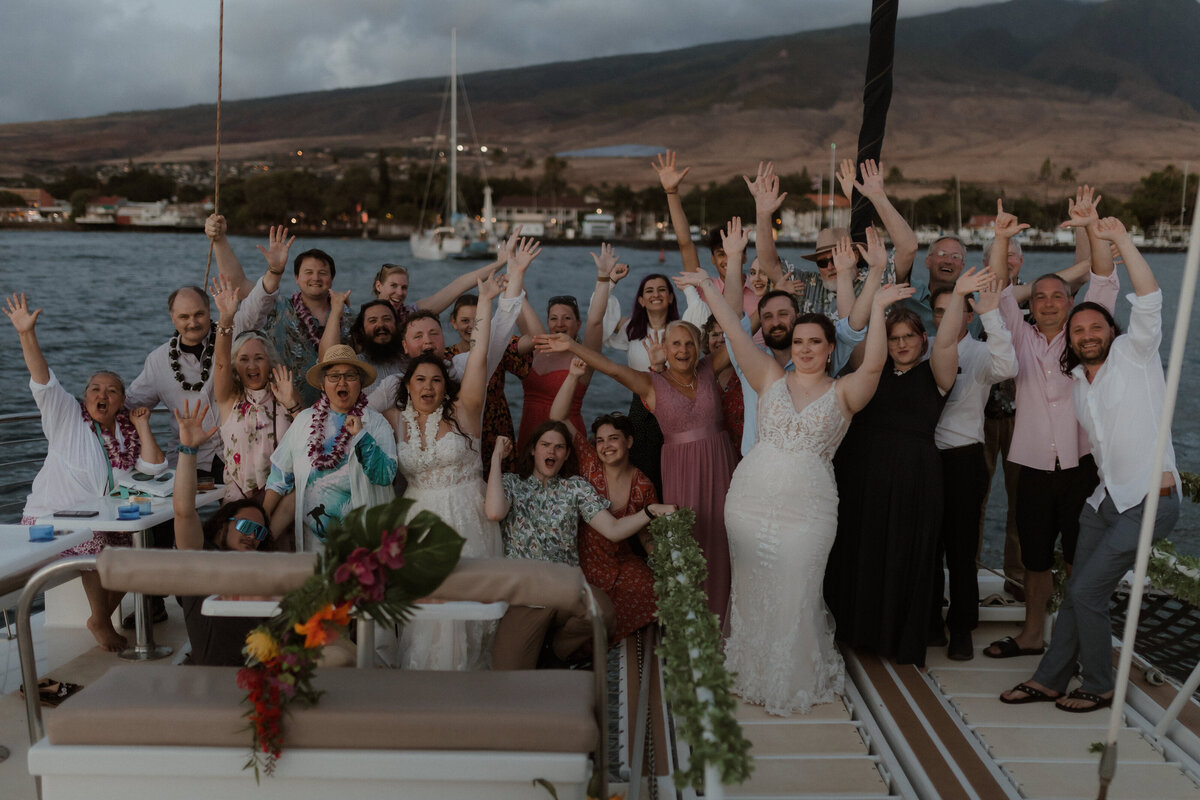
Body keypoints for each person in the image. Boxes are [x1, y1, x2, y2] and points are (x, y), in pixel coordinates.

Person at [687, 260, 910, 715]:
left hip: (809, 508)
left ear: (830, 349)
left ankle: (793, 675)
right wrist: (705, 290)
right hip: (751, 499)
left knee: (799, 586)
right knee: (752, 587)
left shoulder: (846, 392)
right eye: (799, 341)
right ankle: (751, 668)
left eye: (815, 342)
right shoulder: (768, 376)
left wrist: (882, 312)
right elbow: (732, 330)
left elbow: (876, 362)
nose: (805, 349)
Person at [1001, 216, 1179, 712]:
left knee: (1086, 593)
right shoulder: (1080, 383)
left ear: (1111, 330)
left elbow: (1149, 298)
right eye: (1078, 331)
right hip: (1104, 502)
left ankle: (1100, 684)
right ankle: (1051, 677)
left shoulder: (1135, 355)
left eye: (1093, 325)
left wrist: (1119, 238)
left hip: (1148, 501)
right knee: (1078, 590)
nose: (1085, 334)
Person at [982, 189, 1119, 659]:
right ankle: (1032, 634)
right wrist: (1000, 239)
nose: (1045, 303)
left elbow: (1103, 277)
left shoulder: (1086, 334)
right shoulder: (1018, 338)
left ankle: (1077, 640)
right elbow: (997, 291)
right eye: (1038, 297)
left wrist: (1089, 224)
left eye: (1055, 296)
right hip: (1032, 467)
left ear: (1069, 300)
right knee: (1035, 559)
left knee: (1083, 559)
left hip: (1082, 466)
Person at [825, 268, 984, 668]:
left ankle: (898, 637)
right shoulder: (872, 370)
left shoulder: (937, 373)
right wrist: (871, 297)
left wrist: (961, 294)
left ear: (922, 340)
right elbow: (853, 332)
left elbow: (947, 338)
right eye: (894, 338)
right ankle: (857, 632)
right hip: (861, 470)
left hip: (914, 473)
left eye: (909, 337)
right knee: (861, 548)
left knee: (904, 553)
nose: (900, 344)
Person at [536, 313, 737, 626]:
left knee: (727, 536)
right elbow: (611, 368)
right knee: (691, 539)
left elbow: (742, 333)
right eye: (675, 344)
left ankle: (728, 618)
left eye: (688, 343)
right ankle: (694, 622)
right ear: (665, 351)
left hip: (720, 463)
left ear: (699, 348)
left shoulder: (710, 369)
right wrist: (573, 345)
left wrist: (715, 287)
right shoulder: (651, 383)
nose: (682, 350)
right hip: (682, 469)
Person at [6, 292, 167, 652]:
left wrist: (142, 427)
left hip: (105, 518)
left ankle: (98, 618)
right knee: (96, 543)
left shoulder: (124, 434)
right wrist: (25, 334)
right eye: (95, 388)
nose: (103, 394)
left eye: (112, 391)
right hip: (53, 519)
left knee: (141, 552)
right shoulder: (65, 417)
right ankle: (102, 621)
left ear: (122, 401)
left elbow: (153, 469)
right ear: (83, 395)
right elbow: (43, 380)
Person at [387, 272, 505, 670]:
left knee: (466, 613)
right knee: (423, 619)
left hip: (466, 516)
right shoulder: (393, 419)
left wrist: (485, 299)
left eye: (436, 380)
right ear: (408, 384)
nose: (429, 386)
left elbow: (482, 351)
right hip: (417, 520)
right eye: (420, 379)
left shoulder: (464, 411)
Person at [709, 220, 881, 458]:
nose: (776, 322)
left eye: (783, 314)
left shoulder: (821, 360)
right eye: (767, 317)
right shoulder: (750, 360)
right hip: (757, 471)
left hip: (810, 470)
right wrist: (734, 257)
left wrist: (859, 275)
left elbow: (850, 326)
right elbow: (732, 318)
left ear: (798, 317)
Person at [928, 277, 1018, 660]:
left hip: (965, 459)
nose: (946, 315)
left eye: (955, 308)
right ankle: (929, 621)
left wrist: (992, 316)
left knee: (962, 551)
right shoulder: (921, 350)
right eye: (939, 310)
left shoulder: (982, 353)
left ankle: (962, 627)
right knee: (926, 548)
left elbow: (1009, 365)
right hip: (925, 460)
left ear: (968, 314)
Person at [550, 358, 658, 643]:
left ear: (629, 442)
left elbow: (646, 536)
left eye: (613, 439)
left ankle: (616, 643)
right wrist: (573, 376)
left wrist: (668, 563)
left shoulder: (643, 484)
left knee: (657, 591)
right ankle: (583, 649)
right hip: (583, 562)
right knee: (579, 611)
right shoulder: (587, 464)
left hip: (620, 563)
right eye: (600, 440)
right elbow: (558, 416)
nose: (606, 446)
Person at [366, 233, 537, 412]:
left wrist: (503, 267)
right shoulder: (391, 384)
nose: (400, 292)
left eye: (404, 287)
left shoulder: (415, 318)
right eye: (393, 286)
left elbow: (459, 286)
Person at [171, 399, 276, 667]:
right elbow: (184, 511)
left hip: (264, 671)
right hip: (215, 678)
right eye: (246, 527)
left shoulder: (262, 574)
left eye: (259, 533)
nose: (253, 537)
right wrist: (188, 450)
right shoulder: (200, 561)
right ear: (221, 527)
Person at [263, 345, 397, 552]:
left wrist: (361, 436)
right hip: (312, 545)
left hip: (362, 546)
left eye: (350, 376)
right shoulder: (304, 422)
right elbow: (279, 478)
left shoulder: (376, 423)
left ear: (360, 383)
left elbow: (385, 475)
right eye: (334, 376)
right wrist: (261, 518)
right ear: (323, 385)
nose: (342, 382)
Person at [485, 424, 674, 569]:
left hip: (564, 586)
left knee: (600, 614)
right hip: (523, 583)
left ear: (567, 455)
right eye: (545, 445)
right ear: (533, 450)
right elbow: (494, 513)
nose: (551, 451)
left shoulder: (575, 487)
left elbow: (613, 530)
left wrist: (650, 511)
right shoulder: (511, 483)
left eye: (559, 447)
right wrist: (496, 458)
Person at [514, 244, 619, 448]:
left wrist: (603, 277)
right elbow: (518, 305)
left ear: (578, 324)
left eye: (567, 318)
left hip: (565, 437)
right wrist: (517, 272)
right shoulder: (536, 346)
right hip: (530, 434)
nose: (559, 324)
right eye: (553, 318)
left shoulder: (584, 357)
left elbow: (596, 319)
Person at [597, 269, 687, 498]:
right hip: (640, 405)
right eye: (649, 291)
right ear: (641, 300)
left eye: (661, 290)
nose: (655, 294)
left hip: (676, 402)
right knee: (641, 464)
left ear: (670, 297)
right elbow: (603, 329)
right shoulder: (632, 329)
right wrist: (610, 284)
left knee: (675, 463)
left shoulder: (681, 329)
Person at [209, 276, 299, 502]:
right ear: (234, 365)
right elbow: (219, 362)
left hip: (281, 498)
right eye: (244, 359)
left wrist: (291, 403)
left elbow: (308, 436)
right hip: (238, 498)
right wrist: (226, 320)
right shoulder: (230, 398)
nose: (251, 365)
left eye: (259, 358)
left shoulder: (285, 391)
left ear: (269, 362)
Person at [445, 292, 531, 469]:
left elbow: (535, 339)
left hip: (497, 429)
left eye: (477, 320)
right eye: (465, 320)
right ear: (453, 323)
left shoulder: (499, 348)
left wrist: (519, 299)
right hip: (462, 431)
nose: (471, 326)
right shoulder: (446, 359)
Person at [702, 315, 744, 449]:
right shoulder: (699, 375)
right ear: (706, 340)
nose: (720, 339)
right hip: (712, 452)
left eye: (725, 334)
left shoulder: (747, 372)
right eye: (715, 334)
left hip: (743, 452)